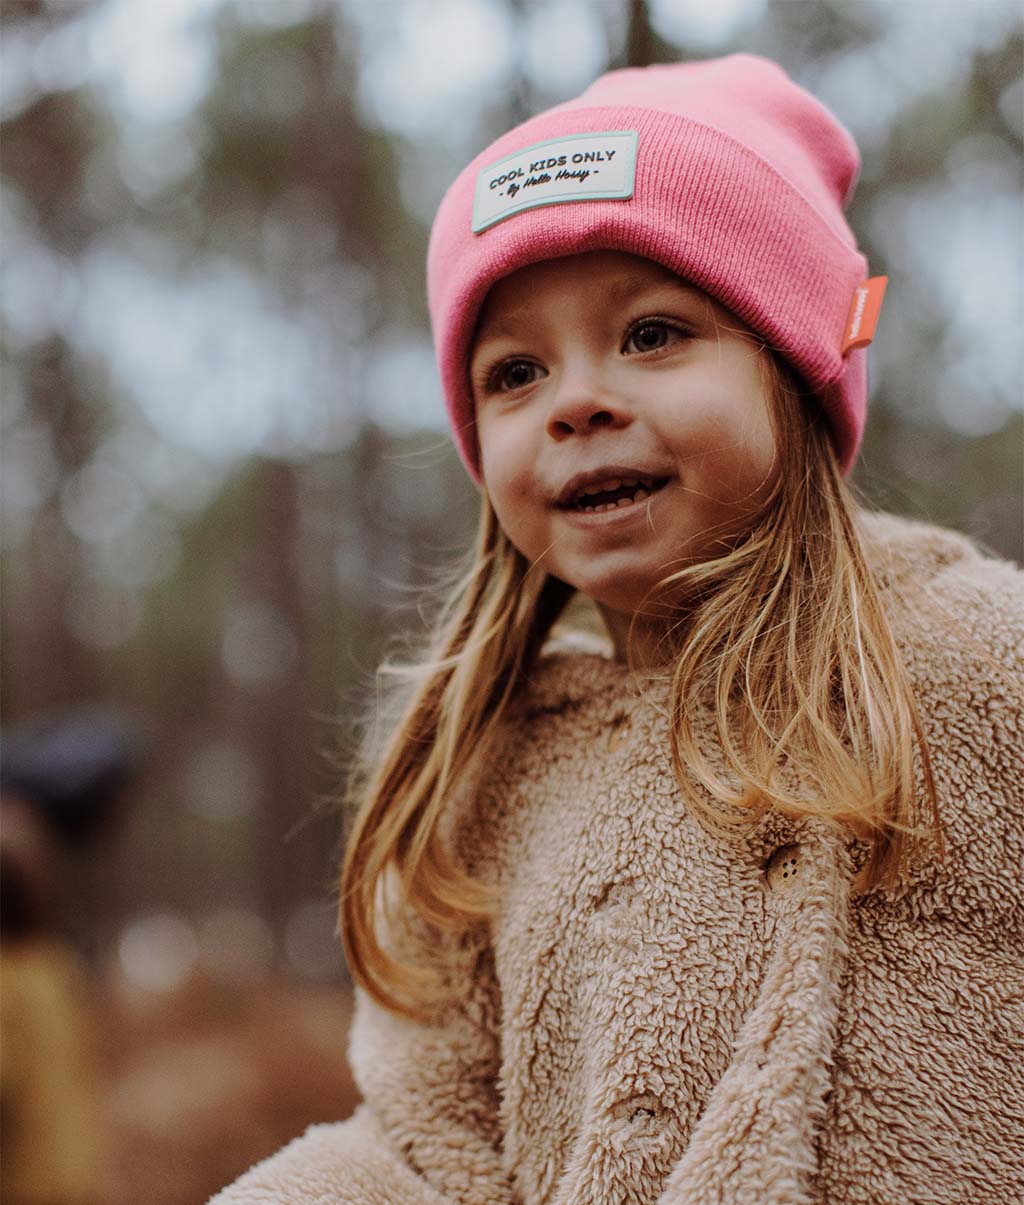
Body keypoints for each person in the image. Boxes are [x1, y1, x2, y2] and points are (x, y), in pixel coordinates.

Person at [211, 53, 1023, 1205]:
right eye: (515, 371)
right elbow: (427, 1147)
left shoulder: (975, 656)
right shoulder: (487, 770)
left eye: (651, 333)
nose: (574, 400)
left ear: (794, 367)